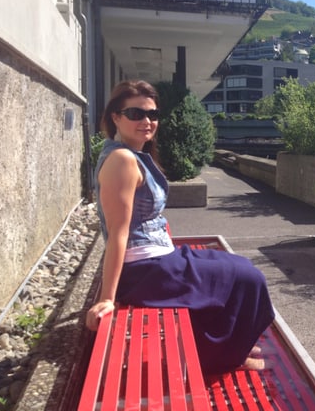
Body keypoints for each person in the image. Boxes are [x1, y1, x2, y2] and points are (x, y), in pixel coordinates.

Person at [85, 80, 274, 373]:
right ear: (116, 117)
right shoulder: (122, 160)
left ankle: (228, 347)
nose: (147, 121)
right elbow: (118, 233)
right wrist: (108, 298)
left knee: (234, 267)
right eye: (135, 114)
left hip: (158, 257)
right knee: (249, 278)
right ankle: (223, 358)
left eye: (153, 114)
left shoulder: (130, 155)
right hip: (145, 270)